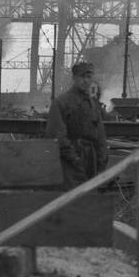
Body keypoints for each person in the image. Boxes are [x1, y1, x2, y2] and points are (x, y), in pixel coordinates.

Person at [46, 61, 110, 189]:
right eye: (82, 77)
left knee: (90, 199)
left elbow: (100, 135)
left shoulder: (93, 104)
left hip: (91, 160)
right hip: (70, 161)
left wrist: (102, 161)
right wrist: (74, 159)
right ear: (74, 78)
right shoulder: (61, 103)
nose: (86, 81)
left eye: (89, 77)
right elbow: (57, 135)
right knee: (73, 199)